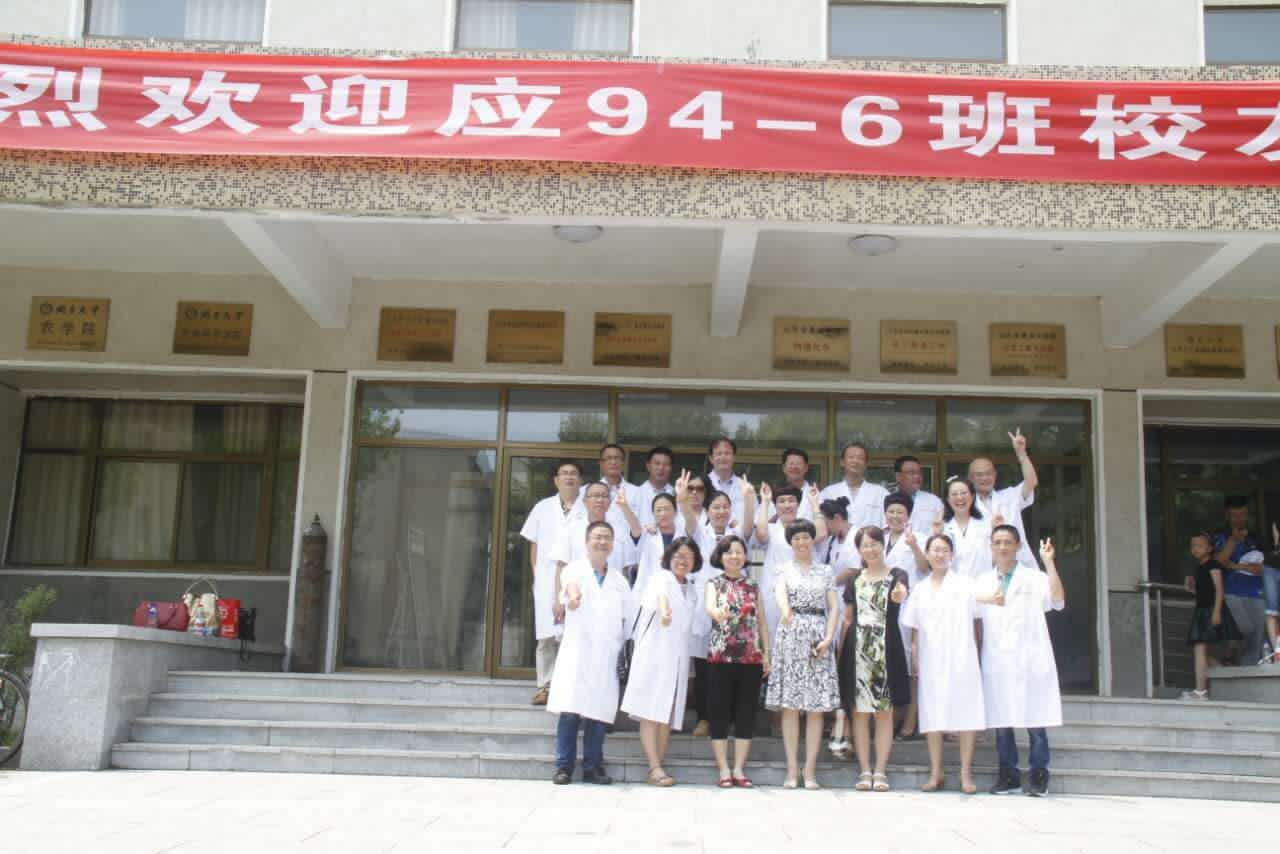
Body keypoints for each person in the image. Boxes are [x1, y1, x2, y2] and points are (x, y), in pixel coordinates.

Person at [977, 527, 1066, 797]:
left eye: (1008, 542)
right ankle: (1009, 776)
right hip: (998, 658)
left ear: (1017, 546)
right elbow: (967, 611)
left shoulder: (1034, 578)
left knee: (1035, 719)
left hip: (1030, 657)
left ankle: (1039, 775)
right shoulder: (982, 581)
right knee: (1002, 721)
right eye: (997, 542)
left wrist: (1049, 563)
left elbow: (1058, 601)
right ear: (991, 547)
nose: (1002, 547)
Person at [899, 534, 985, 794]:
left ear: (952, 554)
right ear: (926, 554)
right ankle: (936, 772)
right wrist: (915, 655)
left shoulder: (966, 585)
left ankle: (965, 773)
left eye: (944, 550)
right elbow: (914, 628)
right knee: (932, 713)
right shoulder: (920, 589)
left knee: (966, 712)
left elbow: (978, 621)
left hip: (962, 655)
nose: (939, 554)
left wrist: (979, 654)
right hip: (931, 657)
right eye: (935, 550)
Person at [547, 521, 631, 785]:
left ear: (612, 544)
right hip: (578, 651)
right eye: (597, 537)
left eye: (607, 537)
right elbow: (571, 589)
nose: (602, 542)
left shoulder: (619, 581)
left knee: (599, 712)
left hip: (607, 653)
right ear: (587, 542)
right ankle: (564, 767)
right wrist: (573, 599)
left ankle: (593, 767)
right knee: (570, 710)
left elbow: (627, 618)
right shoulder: (574, 569)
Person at [765, 519, 841, 790]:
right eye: (796, 538)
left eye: (805, 537)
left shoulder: (825, 571)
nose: (801, 542)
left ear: (812, 540)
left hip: (818, 635)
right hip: (791, 634)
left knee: (815, 707)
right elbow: (780, 594)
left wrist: (829, 638)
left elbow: (834, 607)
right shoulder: (783, 569)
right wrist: (786, 611)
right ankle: (791, 770)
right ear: (791, 542)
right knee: (791, 706)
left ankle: (809, 770)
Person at [679, 473, 756, 737]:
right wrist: (682, 498)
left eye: (725, 507)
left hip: (735, 606)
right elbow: (689, 518)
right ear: (708, 511)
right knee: (705, 667)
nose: (721, 511)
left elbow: (749, 524)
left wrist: (749, 498)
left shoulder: (737, 535)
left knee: (732, 664)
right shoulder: (700, 533)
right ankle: (704, 718)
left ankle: (730, 718)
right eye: (715, 507)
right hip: (705, 605)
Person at [621, 536, 702, 787]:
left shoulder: (692, 589)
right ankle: (654, 767)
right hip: (654, 655)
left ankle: (659, 765)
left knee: (666, 712)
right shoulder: (660, 578)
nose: (682, 561)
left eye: (688, 557)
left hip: (677, 658)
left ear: (695, 561)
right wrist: (665, 612)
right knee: (650, 710)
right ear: (669, 558)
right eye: (678, 556)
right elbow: (661, 599)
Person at [838, 526, 910, 793]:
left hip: (885, 648)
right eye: (864, 545)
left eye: (874, 544)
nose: (870, 549)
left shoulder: (897, 575)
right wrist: (840, 652)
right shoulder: (854, 579)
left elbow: (901, 592)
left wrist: (899, 594)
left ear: (883, 545)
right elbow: (847, 619)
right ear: (859, 550)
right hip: (857, 649)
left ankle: (880, 770)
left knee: (883, 712)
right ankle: (864, 770)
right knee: (859, 712)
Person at [704, 535, 769, 788]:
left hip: (750, 657)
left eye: (739, 552)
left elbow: (761, 621)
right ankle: (723, 769)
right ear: (721, 557)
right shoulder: (714, 583)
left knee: (746, 712)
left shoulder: (753, 585)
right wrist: (718, 613)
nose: (734, 556)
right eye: (729, 552)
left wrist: (766, 653)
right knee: (719, 711)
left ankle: (739, 769)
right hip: (721, 656)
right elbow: (710, 607)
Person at [519, 460, 586, 705]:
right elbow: (534, 546)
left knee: (573, 636)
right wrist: (538, 577)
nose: (569, 477)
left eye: (574, 473)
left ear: (580, 481)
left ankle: (567, 688)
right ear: (556, 480)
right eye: (564, 474)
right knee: (547, 637)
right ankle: (545, 687)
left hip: (577, 582)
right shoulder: (542, 508)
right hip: (547, 581)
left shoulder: (587, 509)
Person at [755, 483, 827, 647]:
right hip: (774, 593)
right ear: (775, 505)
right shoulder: (771, 529)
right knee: (775, 640)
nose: (787, 505)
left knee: (805, 641)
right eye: (781, 501)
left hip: (804, 592)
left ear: (798, 504)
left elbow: (821, 533)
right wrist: (765, 502)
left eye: (791, 500)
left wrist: (815, 503)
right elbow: (761, 534)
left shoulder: (805, 529)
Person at [882, 491, 927, 740]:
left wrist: (915, 546)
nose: (895, 516)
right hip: (882, 608)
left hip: (910, 606)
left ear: (908, 515)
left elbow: (925, 568)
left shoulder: (918, 537)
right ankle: (891, 719)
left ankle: (910, 721)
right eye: (891, 511)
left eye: (900, 512)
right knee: (888, 662)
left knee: (911, 665)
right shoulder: (878, 537)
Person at [817, 496, 860, 756]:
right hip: (832, 607)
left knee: (846, 666)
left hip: (848, 606)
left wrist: (827, 582)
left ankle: (845, 730)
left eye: (826, 521)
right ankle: (835, 723)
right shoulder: (833, 540)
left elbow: (853, 570)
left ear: (836, 519)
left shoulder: (855, 537)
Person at [1183, 531, 1242, 699]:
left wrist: (1216, 612)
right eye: (1193, 546)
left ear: (1209, 549)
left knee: (1200, 648)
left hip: (1211, 609)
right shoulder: (1198, 567)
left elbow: (1219, 589)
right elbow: (1202, 591)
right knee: (1200, 649)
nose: (1195, 549)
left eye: (1200, 546)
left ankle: (1201, 690)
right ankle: (1220, 673)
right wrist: (1191, 588)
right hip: (1202, 609)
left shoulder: (1213, 565)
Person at [968, 427, 1039, 567]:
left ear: (995, 475)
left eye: (988, 473)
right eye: (979, 475)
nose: (985, 478)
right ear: (971, 478)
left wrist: (1022, 454)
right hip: (986, 568)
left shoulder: (1009, 496)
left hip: (1020, 566)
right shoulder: (965, 507)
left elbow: (1031, 482)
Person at [551, 481, 633, 592]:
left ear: (610, 502)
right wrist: (558, 598)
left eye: (604, 496)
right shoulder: (570, 529)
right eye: (595, 496)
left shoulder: (621, 530)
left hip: (613, 593)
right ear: (585, 501)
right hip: (578, 593)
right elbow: (561, 565)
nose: (599, 500)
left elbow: (627, 569)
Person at [1214, 496, 1268, 663]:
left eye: (1242, 514)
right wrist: (1232, 541)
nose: (1239, 519)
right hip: (1230, 593)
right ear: (1227, 515)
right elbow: (1216, 563)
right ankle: (1229, 658)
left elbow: (1262, 568)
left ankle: (1248, 671)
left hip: (1256, 592)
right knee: (1244, 629)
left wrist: (1234, 566)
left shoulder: (1256, 538)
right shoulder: (1220, 536)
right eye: (1234, 515)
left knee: (1256, 639)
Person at [618, 490, 679, 595]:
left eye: (667, 509)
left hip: (678, 590)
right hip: (650, 594)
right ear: (653, 513)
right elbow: (635, 527)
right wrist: (624, 507)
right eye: (658, 510)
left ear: (676, 511)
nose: (663, 513)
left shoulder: (683, 535)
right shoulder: (648, 534)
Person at [821, 442, 889, 532]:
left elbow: (887, 527)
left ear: (866, 463)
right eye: (851, 457)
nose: (855, 461)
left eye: (860, 458)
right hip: (839, 541)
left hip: (870, 540)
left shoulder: (881, 493)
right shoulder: (829, 492)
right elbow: (822, 525)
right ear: (842, 462)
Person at [938, 478, 992, 580]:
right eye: (954, 494)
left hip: (983, 583)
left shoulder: (987, 523)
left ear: (972, 496)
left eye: (964, 493)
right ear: (947, 499)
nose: (959, 497)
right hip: (953, 585)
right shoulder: (942, 526)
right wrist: (937, 535)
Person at [894, 455, 945, 537]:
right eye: (911, 473)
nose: (917, 476)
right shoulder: (886, 499)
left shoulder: (934, 501)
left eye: (919, 473)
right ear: (898, 476)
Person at [706, 436, 748, 525]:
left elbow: (754, 517)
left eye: (727, 453)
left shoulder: (746, 487)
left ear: (734, 457)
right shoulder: (701, 485)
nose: (723, 457)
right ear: (711, 459)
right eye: (719, 453)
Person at [633, 446, 676, 530]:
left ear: (671, 468)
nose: (661, 468)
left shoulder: (677, 495)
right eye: (657, 464)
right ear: (648, 466)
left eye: (666, 464)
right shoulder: (635, 493)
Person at [772, 448, 817, 522]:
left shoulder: (816, 495)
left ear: (806, 468)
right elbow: (758, 521)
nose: (794, 467)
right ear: (783, 468)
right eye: (791, 464)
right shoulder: (773, 494)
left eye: (798, 464)